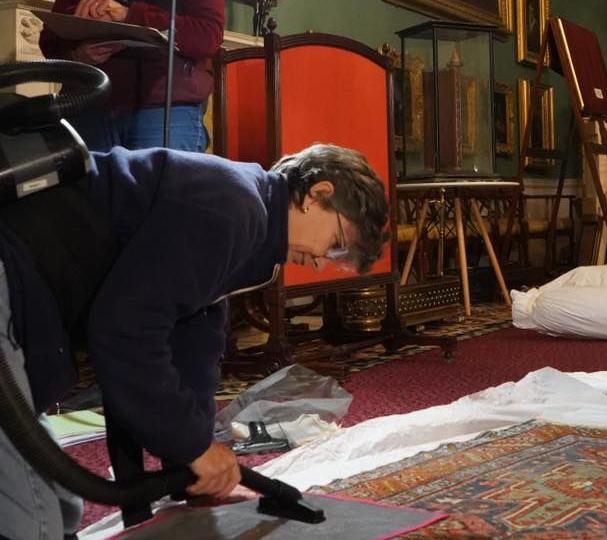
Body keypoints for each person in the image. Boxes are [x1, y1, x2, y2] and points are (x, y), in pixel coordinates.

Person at [0, 143, 389, 539]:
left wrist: (193, 460)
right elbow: (126, 332)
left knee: (62, 511)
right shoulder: (233, 211)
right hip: (10, 268)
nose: (323, 260)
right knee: (34, 525)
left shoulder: (247, 221)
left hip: (28, 293)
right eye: (337, 242)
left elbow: (194, 345)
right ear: (316, 194)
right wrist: (194, 450)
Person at [39, 0, 225, 152]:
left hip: (165, 108)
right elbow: (49, 38)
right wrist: (77, 54)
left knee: (160, 194)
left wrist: (128, 15)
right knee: (81, 196)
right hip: (88, 105)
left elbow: (207, 35)